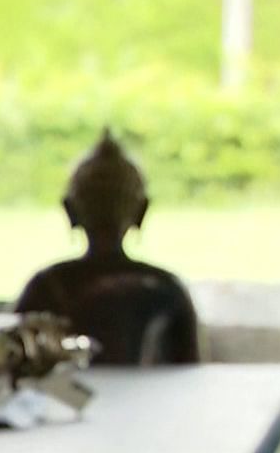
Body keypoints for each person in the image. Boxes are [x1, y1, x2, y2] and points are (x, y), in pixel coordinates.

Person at [13, 128, 199, 365]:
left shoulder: (48, 288)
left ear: (70, 210)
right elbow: (193, 374)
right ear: (141, 211)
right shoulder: (166, 289)